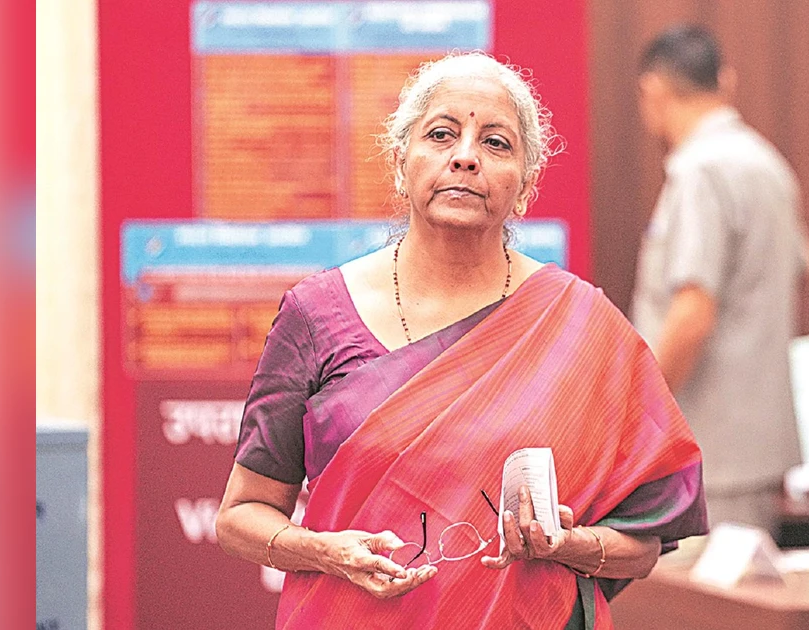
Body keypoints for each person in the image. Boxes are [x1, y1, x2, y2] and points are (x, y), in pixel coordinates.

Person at [216, 52, 707, 630]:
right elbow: (241, 515)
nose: (466, 156)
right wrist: (325, 551)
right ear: (400, 165)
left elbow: (643, 544)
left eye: (496, 143)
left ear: (525, 187)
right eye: (441, 134)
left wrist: (564, 544)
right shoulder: (316, 314)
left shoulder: (582, 326)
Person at [631, 26, 809, 538]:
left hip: (709, 447)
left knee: (709, 586)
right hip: (756, 444)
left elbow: (692, 312)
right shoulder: (767, 162)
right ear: (726, 82)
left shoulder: (700, 171)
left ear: (653, 90)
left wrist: (640, 414)